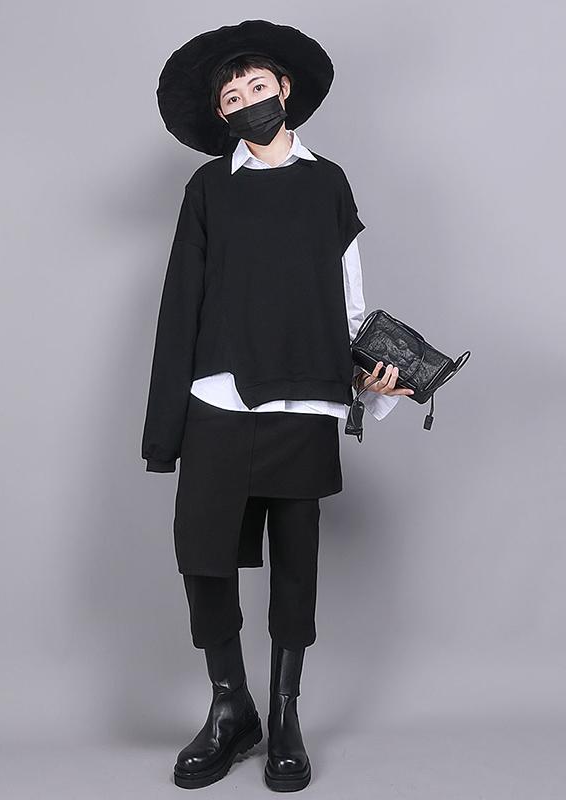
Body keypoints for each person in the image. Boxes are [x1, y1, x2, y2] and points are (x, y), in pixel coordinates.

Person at [141, 20, 414, 792]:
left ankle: (286, 713)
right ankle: (231, 707)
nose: (247, 100)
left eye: (257, 86)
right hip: (219, 396)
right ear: (220, 114)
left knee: (297, 563)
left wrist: (372, 381)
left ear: (285, 90)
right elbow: (180, 305)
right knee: (202, 552)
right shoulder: (208, 189)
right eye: (232, 96)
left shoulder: (328, 183)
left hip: (304, 396)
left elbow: (348, 302)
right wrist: (165, 429)